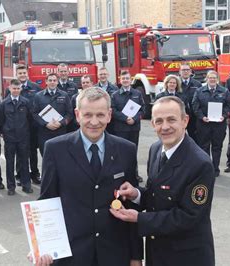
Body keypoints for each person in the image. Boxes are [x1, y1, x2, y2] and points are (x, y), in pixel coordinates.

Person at [35, 87, 142, 266]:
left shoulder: (127, 150)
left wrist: (136, 256)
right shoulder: (55, 149)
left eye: (100, 115)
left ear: (109, 115)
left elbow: (129, 205)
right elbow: (47, 200)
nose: (94, 122)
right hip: (72, 254)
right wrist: (42, 248)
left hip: (114, 253)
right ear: (77, 115)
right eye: (87, 115)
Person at [110, 96, 215, 266]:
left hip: (186, 256)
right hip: (158, 251)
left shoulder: (199, 163)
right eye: (159, 121)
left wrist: (139, 218)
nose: (165, 127)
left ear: (185, 121)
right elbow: (157, 195)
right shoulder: (156, 149)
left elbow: (189, 216)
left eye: (171, 120)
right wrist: (136, 194)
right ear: (152, 124)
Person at [192, 70, 230, 177]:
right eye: (210, 77)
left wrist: (223, 116)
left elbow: (229, 105)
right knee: (204, 147)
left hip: (219, 125)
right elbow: (195, 106)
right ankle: (206, 169)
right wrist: (202, 117)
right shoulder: (199, 91)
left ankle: (215, 168)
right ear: (207, 79)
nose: (212, 79)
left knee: (217, 147)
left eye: (214, 77)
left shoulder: (224, 91)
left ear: (217, 79)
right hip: (204, 124)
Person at [0, 79, 33, 195]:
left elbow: (30, 119)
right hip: (10, 138)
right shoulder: (4, 103)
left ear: (21, 89)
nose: (16, 90)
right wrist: (5, 132)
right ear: (9, 88)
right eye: (14, 88)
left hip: (23, 137)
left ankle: (26, 185)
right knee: (10, 163)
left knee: (24, 162)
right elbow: (1, 120)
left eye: (18, 88)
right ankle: (11, 187)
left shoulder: (26, 102)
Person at [111, 70, 145, 182]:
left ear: (131, 80)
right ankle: (122, 175)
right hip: (121, 129)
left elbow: (142, 109)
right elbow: (113, 111)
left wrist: (134, 119)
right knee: (121, 152)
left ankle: (134, 174)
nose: (125, 80)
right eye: (123, 78)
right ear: (120, 80)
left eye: (127, 78)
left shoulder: (137, 94)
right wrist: (125, 118)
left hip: (134, 128)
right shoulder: (115, 95)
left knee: (133, 151)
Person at [32, 73, 73, 155]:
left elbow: (70, 114)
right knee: (46, 158)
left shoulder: (64, 95)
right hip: (44, 133)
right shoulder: (38, 96)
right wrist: (46, 124)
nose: (52, 82)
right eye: (50, 80)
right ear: (46, 82)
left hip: (60, 133)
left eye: (54, 80)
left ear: (57, 82)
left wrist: (61, 123)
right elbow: (35, 114)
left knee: (61, 158)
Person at [17, 65, 42, 184]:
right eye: (20, 73)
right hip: (19, 126)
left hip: (32, 125)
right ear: (17, 75)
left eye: (24, 73)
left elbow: (40, 104)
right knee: (20, 151)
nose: (22, 75)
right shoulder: (12, 88)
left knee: (32, 151)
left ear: (27, 74)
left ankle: (35, 174)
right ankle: (21, 175)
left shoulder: (36, 87)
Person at [179, 62, 202, 142]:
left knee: (195, 139)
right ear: (180, 72)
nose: (185, 72)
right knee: (179, 139)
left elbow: (201, 100)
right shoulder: (176, 84)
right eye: (183, 70)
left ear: (191, 71)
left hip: (194, 117)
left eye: (187, 70)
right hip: (180, 116)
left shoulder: (197, 84)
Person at [96, 67, 119, 134]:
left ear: (108, 75)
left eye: (104, 74)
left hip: (111, 119)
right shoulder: (94, 88)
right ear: (98, 76)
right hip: (98, 117)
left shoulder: (115, 88)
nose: (103, 76)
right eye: (101, 74)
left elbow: (117, 103)